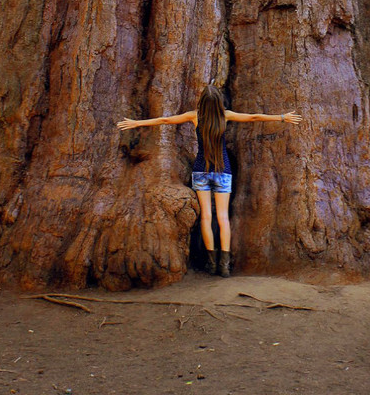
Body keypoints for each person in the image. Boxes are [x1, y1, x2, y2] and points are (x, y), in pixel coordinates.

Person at [117, 85, 302, 277]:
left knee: (206, 216)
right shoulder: (225, 115)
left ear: (202, 102)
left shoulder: (194, 116)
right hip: (223, 172)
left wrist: (137, 123)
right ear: (219, 102)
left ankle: (212, 263)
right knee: (222, 218)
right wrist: (282, 117)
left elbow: (165, 120)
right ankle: (224, 266)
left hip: (201, 171)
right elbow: (254, 117)